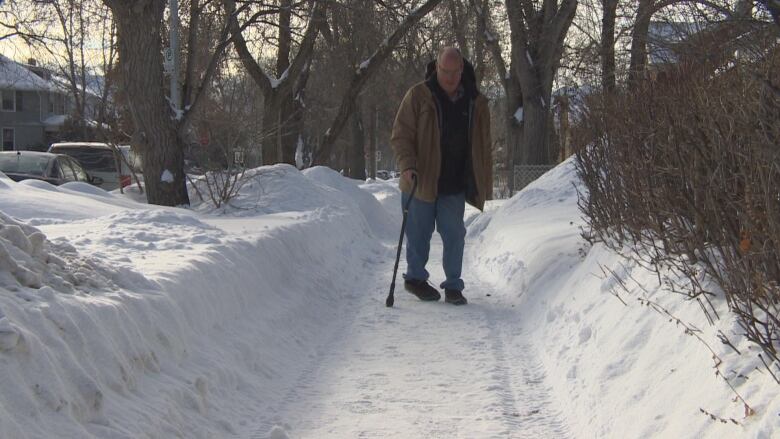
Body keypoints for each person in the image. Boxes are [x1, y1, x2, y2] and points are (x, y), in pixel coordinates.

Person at [390, 46, 492, 305]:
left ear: (461, 70)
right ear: (437, 67)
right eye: (444, 71)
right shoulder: (418, 96)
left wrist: (479, 176)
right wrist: (407, 165)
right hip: (420, 180)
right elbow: (401, 135)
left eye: (454, 73)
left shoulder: (474, 101)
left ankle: (454, 286)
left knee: (454, 233)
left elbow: (482, 143)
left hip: (454, 181)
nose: (448, 78)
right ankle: (415, 279)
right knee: (418, 233)